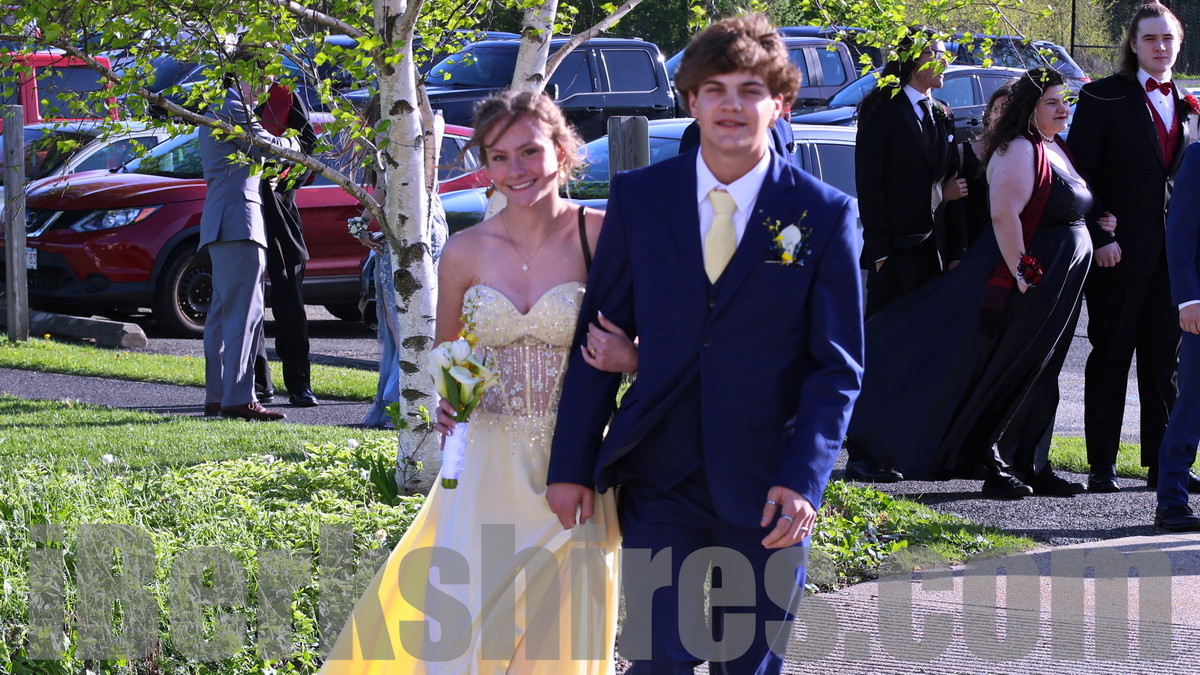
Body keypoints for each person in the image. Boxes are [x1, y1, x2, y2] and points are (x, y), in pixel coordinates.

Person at [547, 14, 863, 672]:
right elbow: (597, 338)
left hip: (769, 485)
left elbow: (835, 368)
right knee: (658, 658)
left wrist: (803, 480)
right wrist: (570, 465)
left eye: (751, 89)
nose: (731, 105)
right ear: (690, 100)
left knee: (747, 662)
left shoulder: (823, 214)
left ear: (780, 104)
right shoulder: (640, 199)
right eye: (714, 89)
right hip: (660, 474)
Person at [319, 90, 637, 672]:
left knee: (559, 636)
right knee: (467, 630)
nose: (516, 170)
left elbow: (663, 339)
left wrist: (631, 357)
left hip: (575, 463)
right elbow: (450, 349)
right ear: (485, 164)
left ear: (562, 149)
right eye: (499, 156)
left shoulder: (602, 234)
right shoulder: (465, 250)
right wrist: (452, 398)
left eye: (530, 151)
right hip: (486, 464)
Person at [844, 67, 1094, 498]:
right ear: (1029, 109)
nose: (1062, 109)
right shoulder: (1019, 148)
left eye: (1064, 101)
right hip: (1024, 280)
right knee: (1004, 368)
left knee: (1042, 372)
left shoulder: (1055, 147)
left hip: (1059, 279)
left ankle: (1032, 462)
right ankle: (990, 460)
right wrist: (1024, 274)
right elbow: (1004, 215)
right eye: (1051, 102)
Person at [1068, 2, 1200, 493]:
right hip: (1118, 255)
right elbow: (1080, 172)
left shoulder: (1189, 105)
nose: (1160, 47)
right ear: (1133, 44)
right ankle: (1101, 467)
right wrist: (1101, 235)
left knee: (1165, 365)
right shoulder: (1101, 96)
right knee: (1110, 358)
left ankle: (1163, 467)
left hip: (1173, 261)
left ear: (1179, 43)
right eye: (1150, 38)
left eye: (1167, 38)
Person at [847, 28, 965, 483]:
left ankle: (908, 450)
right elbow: (870, 184)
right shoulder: (882, 110)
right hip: (896, 253)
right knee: (883, 353)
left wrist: (955, 252)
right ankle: (863, 453)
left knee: (922, 355)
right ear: (915, 59)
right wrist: (879, 252)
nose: (945, 60)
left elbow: (953, 184)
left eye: (945, 52)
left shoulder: (942, 112)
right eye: (937, 52)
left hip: (934, 254)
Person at [199, 51, 300, 422]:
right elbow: (265, 146)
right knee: (245, 313)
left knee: (223, 313)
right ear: (241, 73)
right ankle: (239, 397)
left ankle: (219, 395)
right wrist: (296, 146)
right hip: (238, 221)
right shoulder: (232, 107)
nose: (265, 89)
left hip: (224, 220)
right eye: (261, 79)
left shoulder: (219, 105)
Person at [1156, 141, 1200, 531]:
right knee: (1193, 404)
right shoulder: (1199, 156)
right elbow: (1181, 233)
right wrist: (1189, 299)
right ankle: (1171, 502)